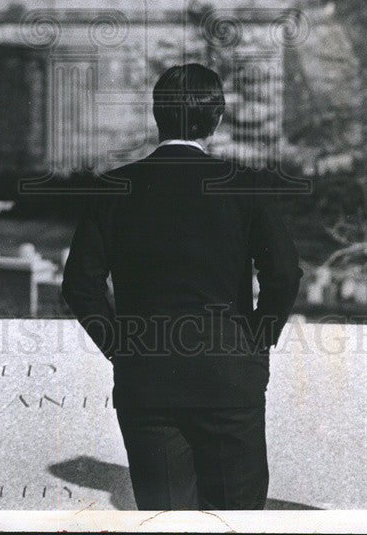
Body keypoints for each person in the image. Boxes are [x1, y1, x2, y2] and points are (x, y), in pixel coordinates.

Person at [62, 62, 303, 510]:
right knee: (236, 522)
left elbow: (80, 286)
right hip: (229, 378)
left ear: (158, 115)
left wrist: (121, 344)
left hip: (147, 379)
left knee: (165, 522)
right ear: (215, 119)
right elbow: (285, 273)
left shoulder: (114, 188)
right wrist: (256, 340)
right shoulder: (244, 187)